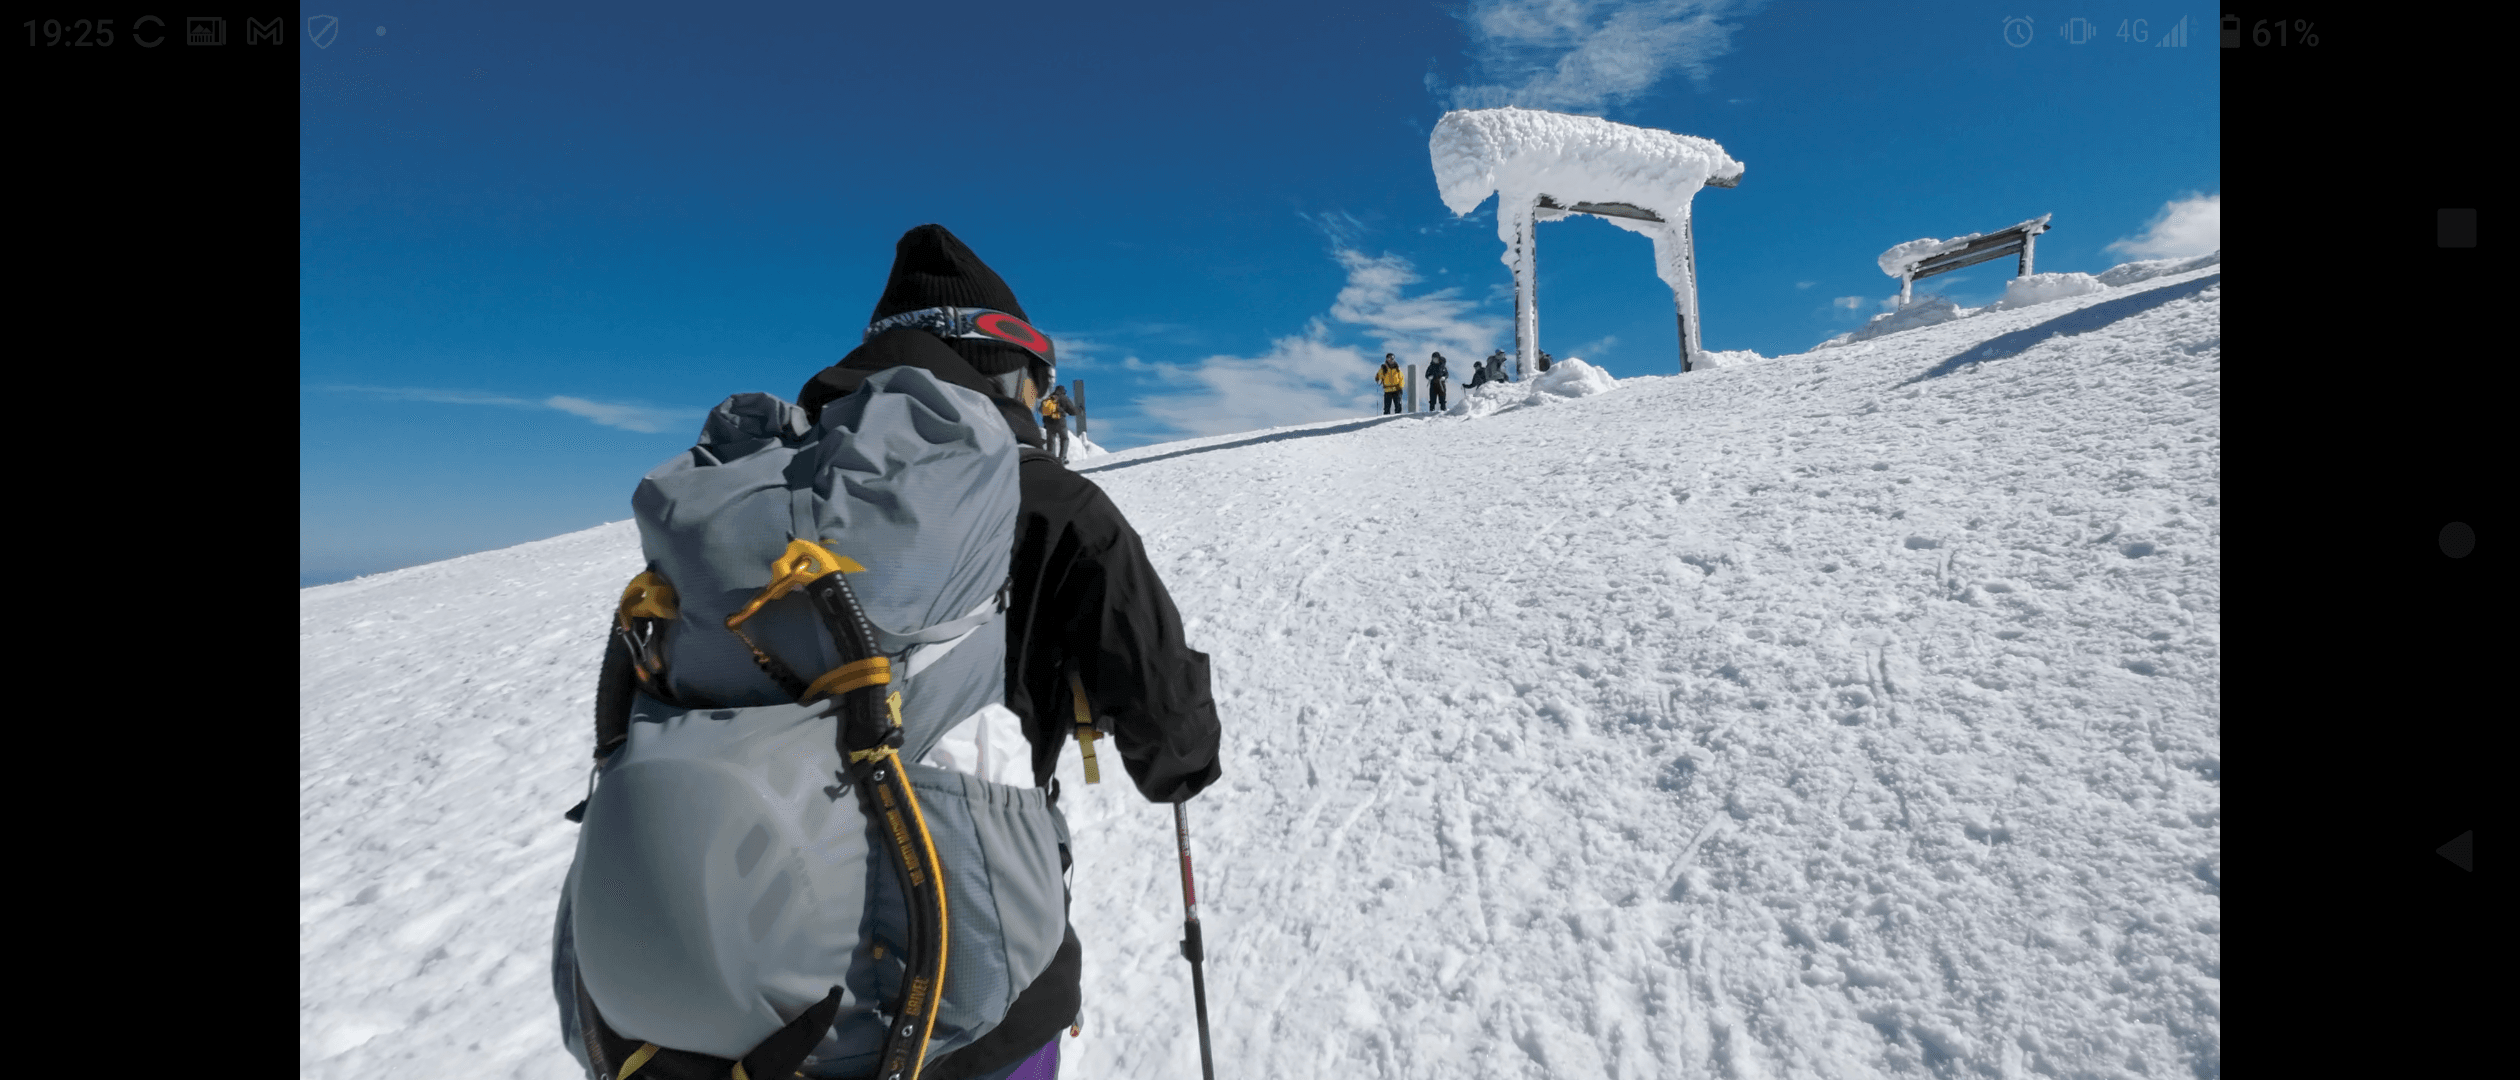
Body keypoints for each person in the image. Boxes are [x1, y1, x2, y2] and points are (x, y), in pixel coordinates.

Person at [560, 224, 1222, 1080]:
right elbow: (1167, 733)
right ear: (1006, 367)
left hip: (709, 975)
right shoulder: (1056, 503)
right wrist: (1186, 760)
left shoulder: (756, 491)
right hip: (964, 984)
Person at [1041, 383, 1074, 462]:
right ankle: (1062, 458)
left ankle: (1051, 459)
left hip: (1049, 423)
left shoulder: (1049, 398)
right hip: (1060, 421)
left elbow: (1041, 410)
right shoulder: (1064, 398)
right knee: (1064, 438)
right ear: (1063, 391)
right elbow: (1072, 411)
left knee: (1050, 440)